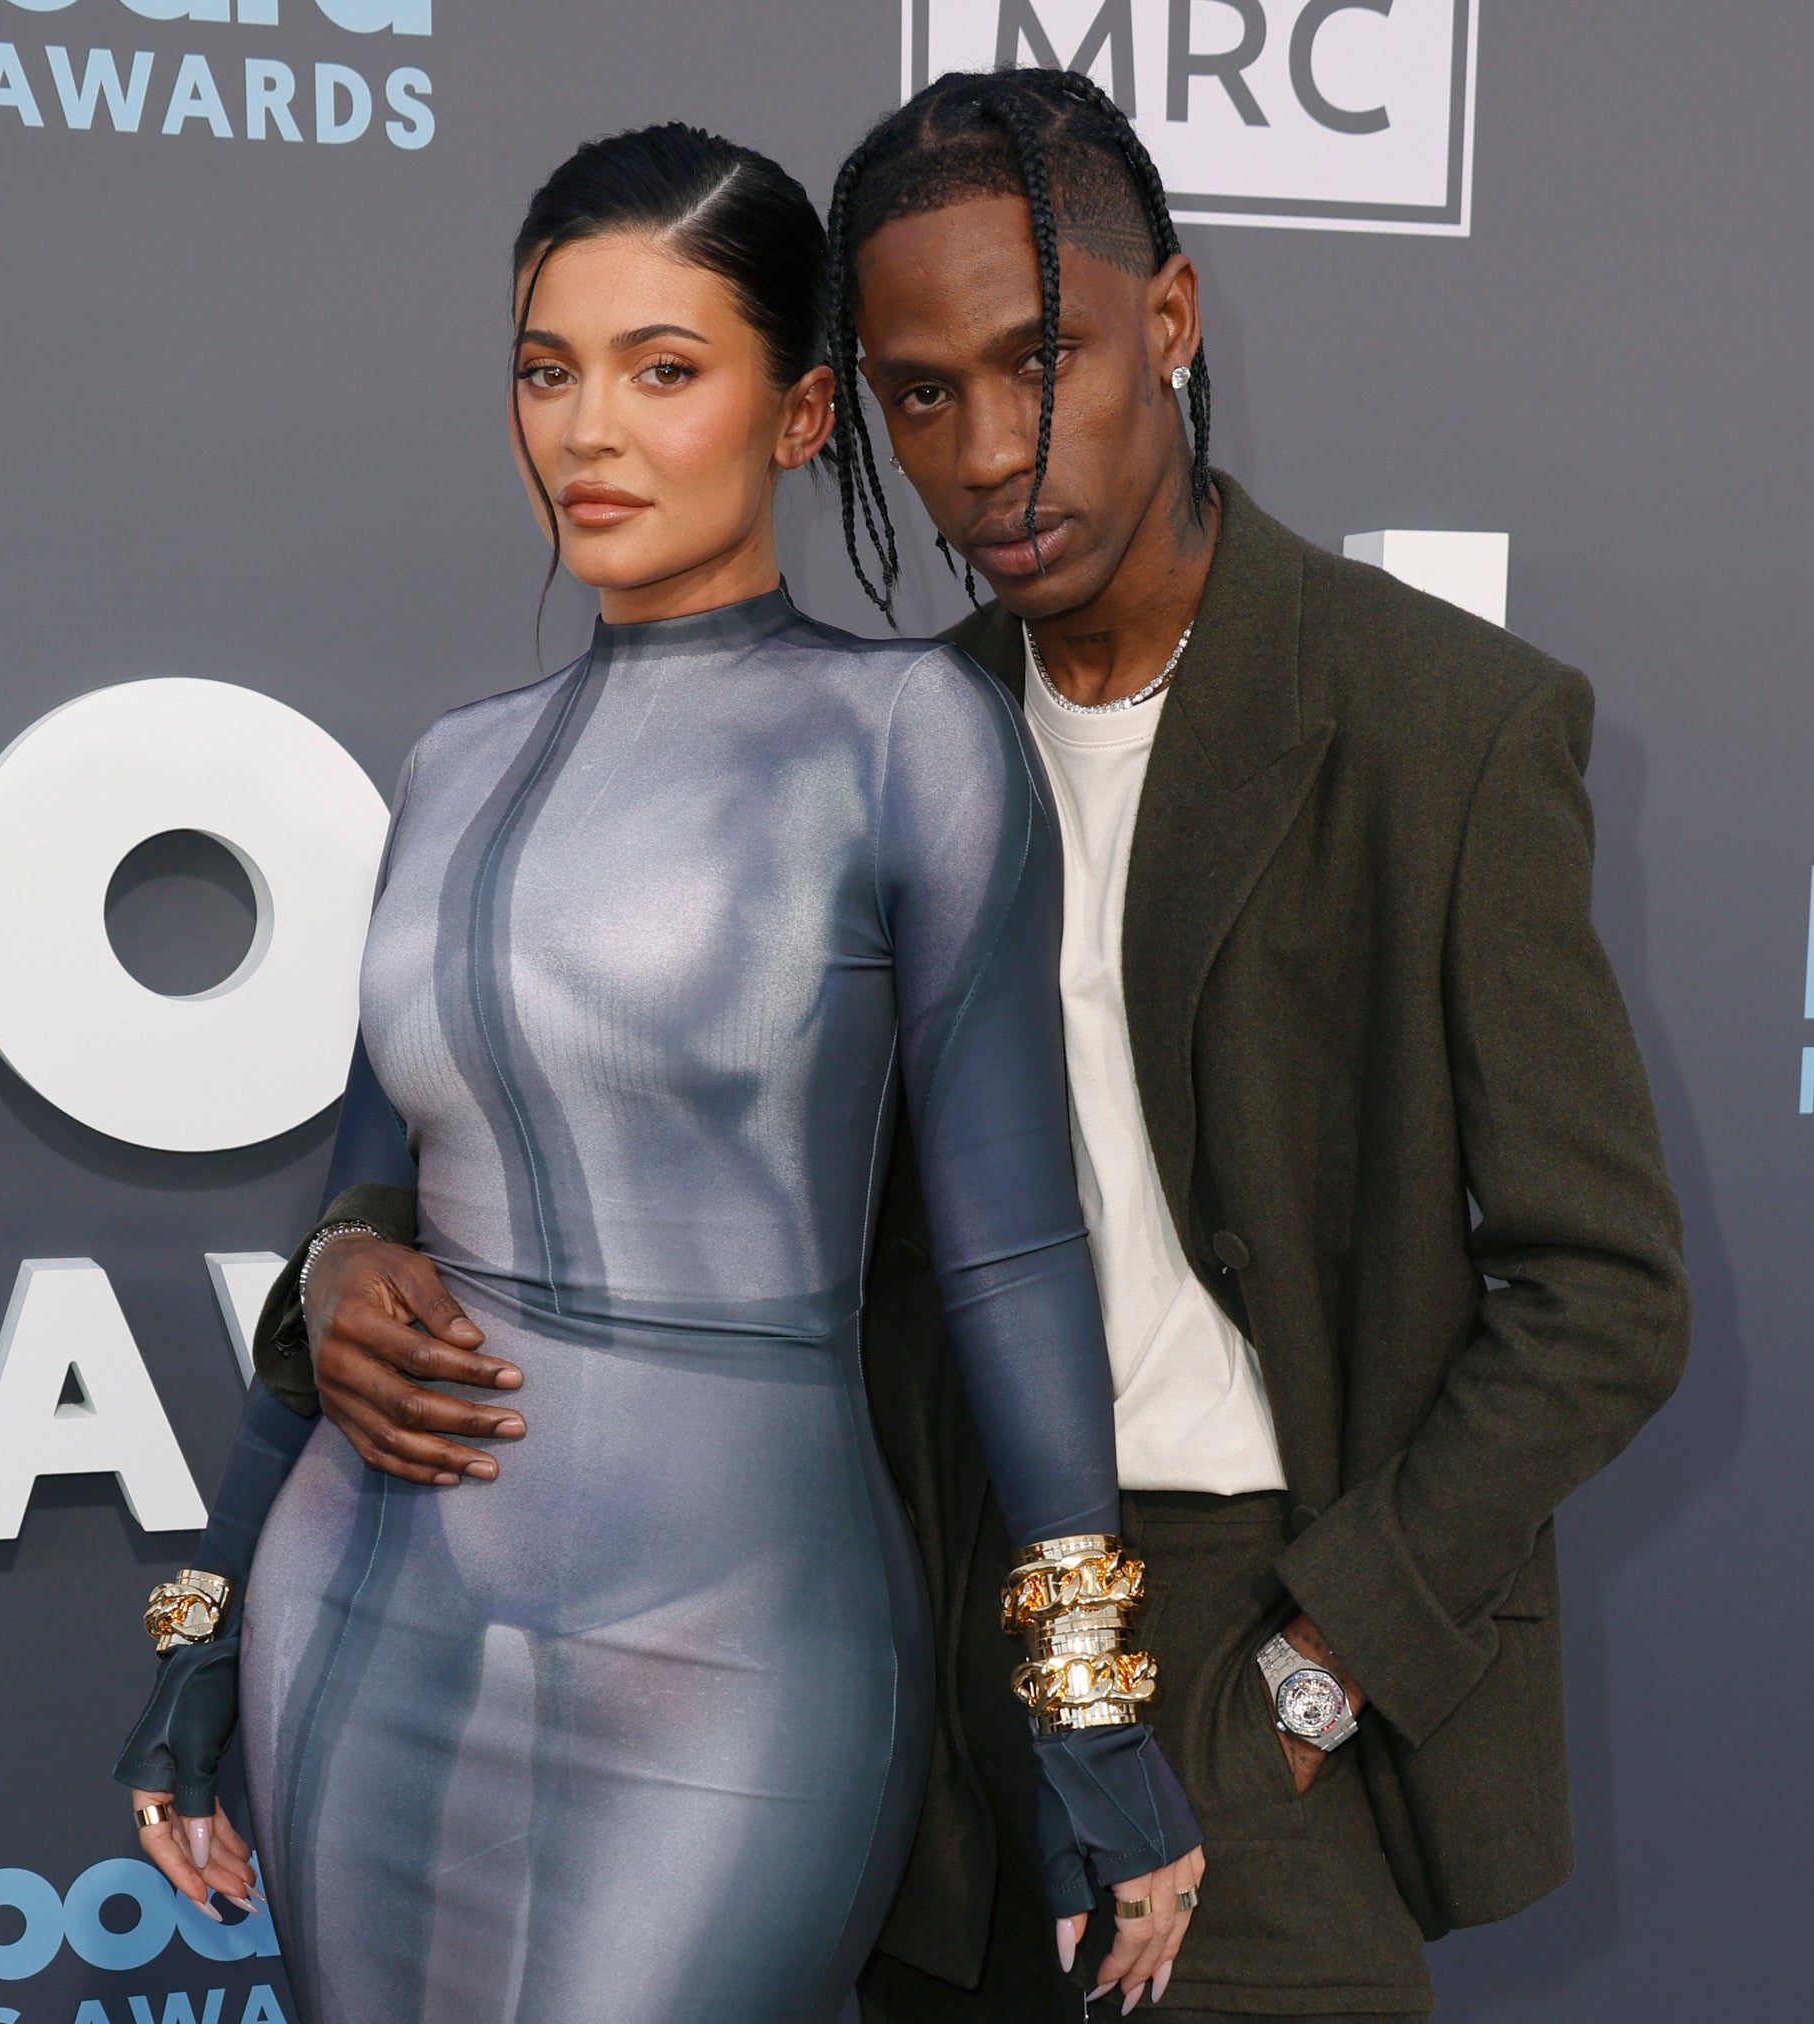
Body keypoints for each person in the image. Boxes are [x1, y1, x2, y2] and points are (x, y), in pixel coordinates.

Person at [242, 68, 1694, 2024]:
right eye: (923, 393)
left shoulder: (1439, 728)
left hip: (1247, 1634)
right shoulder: (866, 739)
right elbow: (478, 1119)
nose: (992, 451)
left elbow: (1598, 1287)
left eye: (1043, 359)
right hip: (898, 1638)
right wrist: (339, 1256)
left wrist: (1320, 1649)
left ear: (1165, 324)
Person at [111, 120, 1207, 2024]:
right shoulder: (450, 764)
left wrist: (1087, 1702)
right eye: (550, 370)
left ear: (798, 419)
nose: (585, 431)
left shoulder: (907, 743)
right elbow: (359, 1211)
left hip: (734, 1654)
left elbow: (1013, 1256)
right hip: (364, 1621)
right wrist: (205, 1618)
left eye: (663, 370)